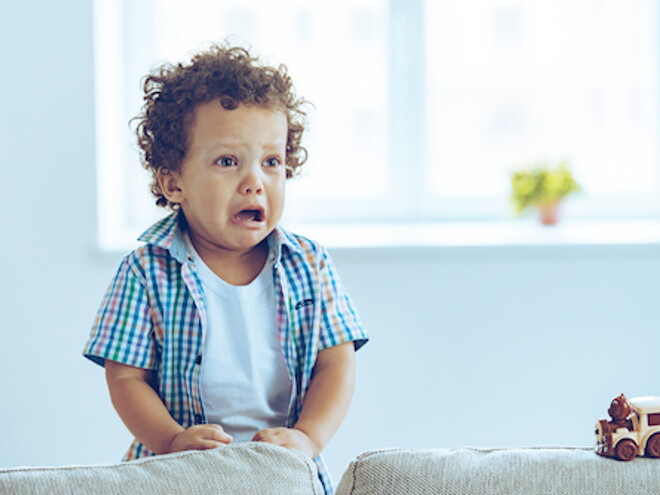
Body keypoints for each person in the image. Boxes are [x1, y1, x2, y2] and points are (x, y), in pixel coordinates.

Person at [83, 42, 368, 494]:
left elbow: (336, 364)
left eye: (271, 162)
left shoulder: (309, 264)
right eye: (228, 161)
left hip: (282, 473)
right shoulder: (146, 271)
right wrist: (171, 440)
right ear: (173, 181)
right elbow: (125, 377)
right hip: (174, 473)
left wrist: (308, 437)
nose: (254, 180)